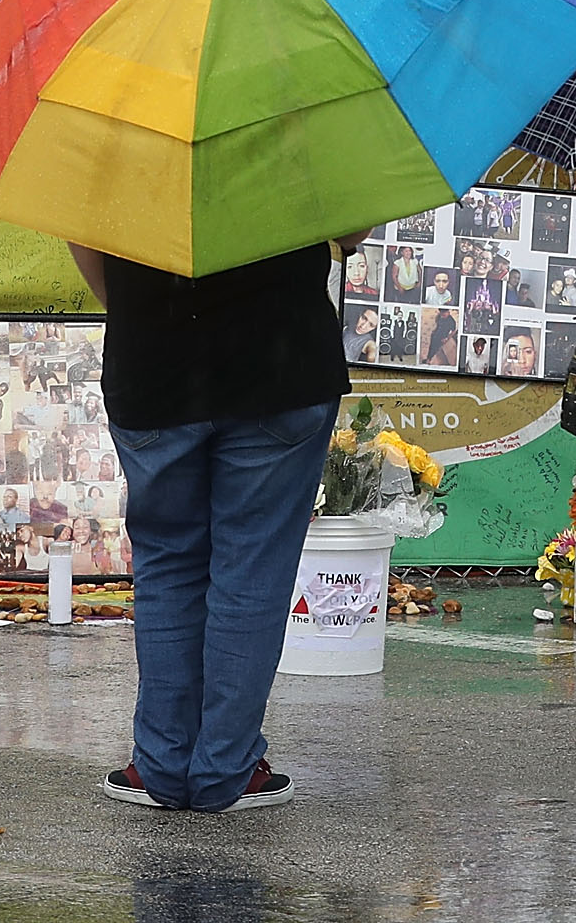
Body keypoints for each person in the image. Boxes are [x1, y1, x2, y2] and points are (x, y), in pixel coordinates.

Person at [72, 234, 352, 812]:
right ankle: (228, 768)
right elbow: (346, 232)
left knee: (167, 564)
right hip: (280, 358)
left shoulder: (119, 139)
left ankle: (159, 765)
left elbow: (88, 235)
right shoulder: (294, 136)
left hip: (154, 360)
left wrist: (140, 306)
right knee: (252, 573)